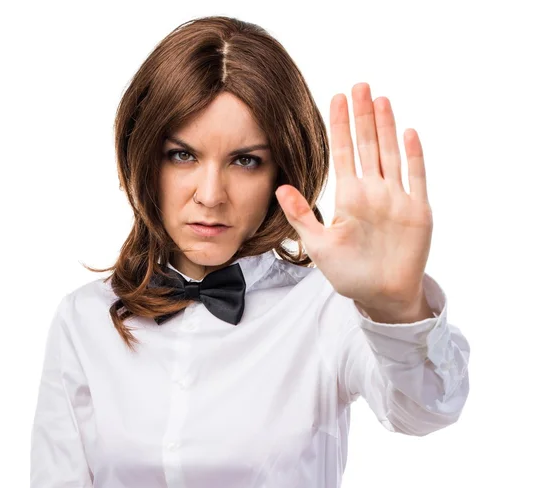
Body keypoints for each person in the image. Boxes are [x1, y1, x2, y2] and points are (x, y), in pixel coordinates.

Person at [30, 15, 470, 488]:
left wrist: (396, 308)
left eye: (246, 161)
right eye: (183, 155)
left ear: (280, 171)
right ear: (143, 158)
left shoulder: (327, 308)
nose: (211, 194)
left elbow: (427, 408)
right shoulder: (84, 319)